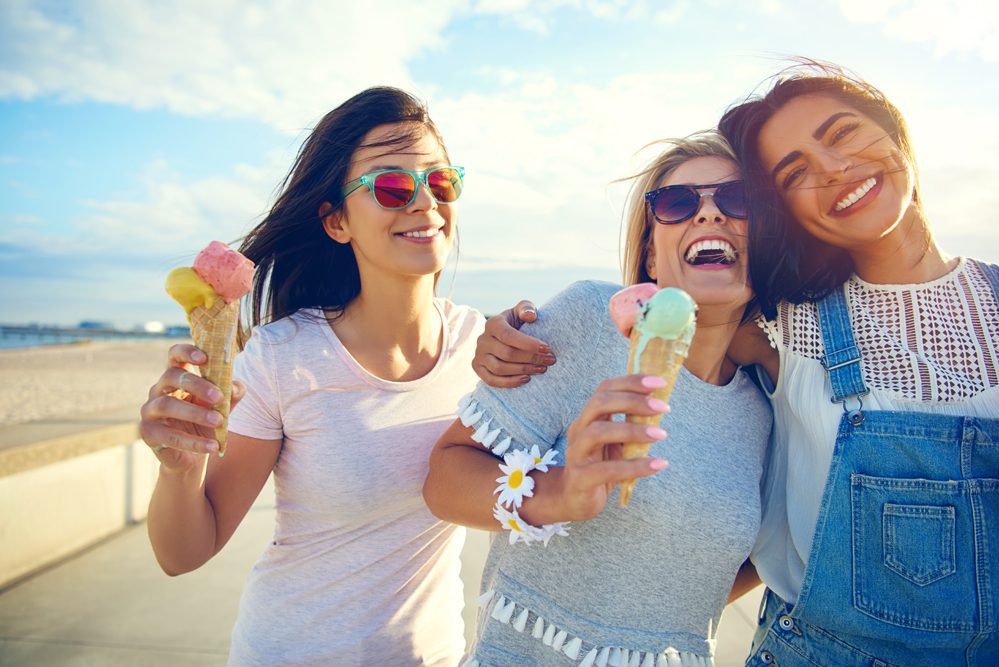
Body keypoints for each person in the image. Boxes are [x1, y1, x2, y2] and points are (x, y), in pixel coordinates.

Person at [480, 62, 999, 666]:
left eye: (842, 133)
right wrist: (504, 334)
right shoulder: (781, 328)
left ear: (897, 134)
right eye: (794, 172)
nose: (832, 169)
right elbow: (671, 321)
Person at [138, 87, 484, 666]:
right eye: (393, 186)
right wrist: (180, 467)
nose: (425, 201)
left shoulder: (482, 348)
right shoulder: (283, 357)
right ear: (337, 221)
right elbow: (183, 553)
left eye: (441, 181)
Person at [423, 131, 772, 666]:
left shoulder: (772, 403)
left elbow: (756, 560)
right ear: (650, 256)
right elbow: (445, 477)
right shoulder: (587, 319)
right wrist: (560, 492)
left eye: (737, 199)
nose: (708, 214)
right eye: (677, 203)